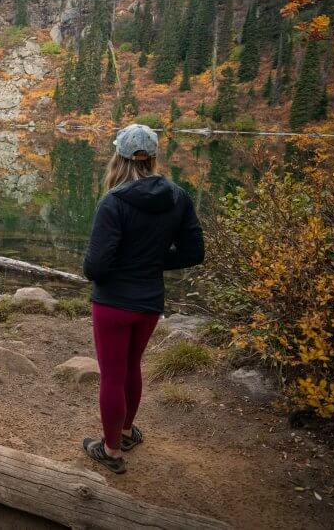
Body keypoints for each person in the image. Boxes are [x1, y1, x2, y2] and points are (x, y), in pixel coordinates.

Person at [81, 124, 204, 473]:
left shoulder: (113, 201)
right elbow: (194, 251)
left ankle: (111, 451)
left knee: (112, 375)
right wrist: (154, 262)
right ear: (152, 158)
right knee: (132, 367)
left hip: (112, 303)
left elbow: (96, 267)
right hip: (149, 303)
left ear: (118, 157)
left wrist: (119, 264)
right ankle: (125, 432)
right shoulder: (178, 197)